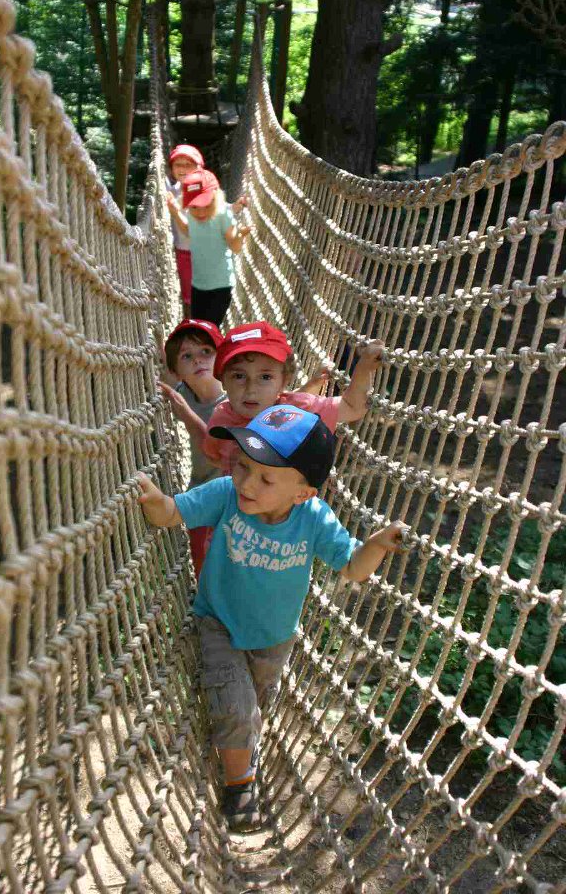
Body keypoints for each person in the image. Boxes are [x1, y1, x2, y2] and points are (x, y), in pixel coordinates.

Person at [137, 404, 406, 831]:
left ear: (303, 493)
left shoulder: (314, 520)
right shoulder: (226, 493)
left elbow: (353, 568)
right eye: (244, 466)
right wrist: (155, 501)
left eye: (266, 478)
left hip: (275, 638)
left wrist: (373, 544)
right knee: (236, 706)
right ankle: (239, 785)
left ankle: (238, 745)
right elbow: (174, 513)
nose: (247, 482)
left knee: (253, 705)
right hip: (218, 621)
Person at [203, 321, 384, 477]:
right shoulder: (222, 418)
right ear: (223, 381)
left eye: (265, 377)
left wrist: (364, 368)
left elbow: (352, 407)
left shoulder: (293, 410)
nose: (251, 389)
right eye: (239, 376)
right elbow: (214, 456)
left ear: (284, 382)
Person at [160, 318, 226, 578]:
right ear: (178, 371)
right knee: (201, 554)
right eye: (187, 356)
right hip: (201, 491)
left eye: (206, 352)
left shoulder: (238, 399)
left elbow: (220, 453)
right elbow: (163, 378)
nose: (198, 360)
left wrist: (187, 415)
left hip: (236, 491)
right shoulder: (182, 393)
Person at [166, 169, 251, 327]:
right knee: (198, 326)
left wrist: (240, 235)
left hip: (220, 285)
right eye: (194, 207)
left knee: (209, 329)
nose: (200, 212)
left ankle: (216, 351)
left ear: (216, 198)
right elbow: (188, 230)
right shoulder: (191, 214)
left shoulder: (223, 215)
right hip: (198, 284)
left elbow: (235, 246)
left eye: (206, 205)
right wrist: (176, 213)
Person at [167, 144, 205, 319]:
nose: (182, 169)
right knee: (187, 297)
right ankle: (191, 327)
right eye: (178, 165)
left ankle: (199, 328)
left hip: (201, 253)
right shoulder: (171, 190)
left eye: (188, 165)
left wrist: (174, 211)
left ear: (198, 168)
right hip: (181, 252)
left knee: (198, 296)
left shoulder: (202, 194)